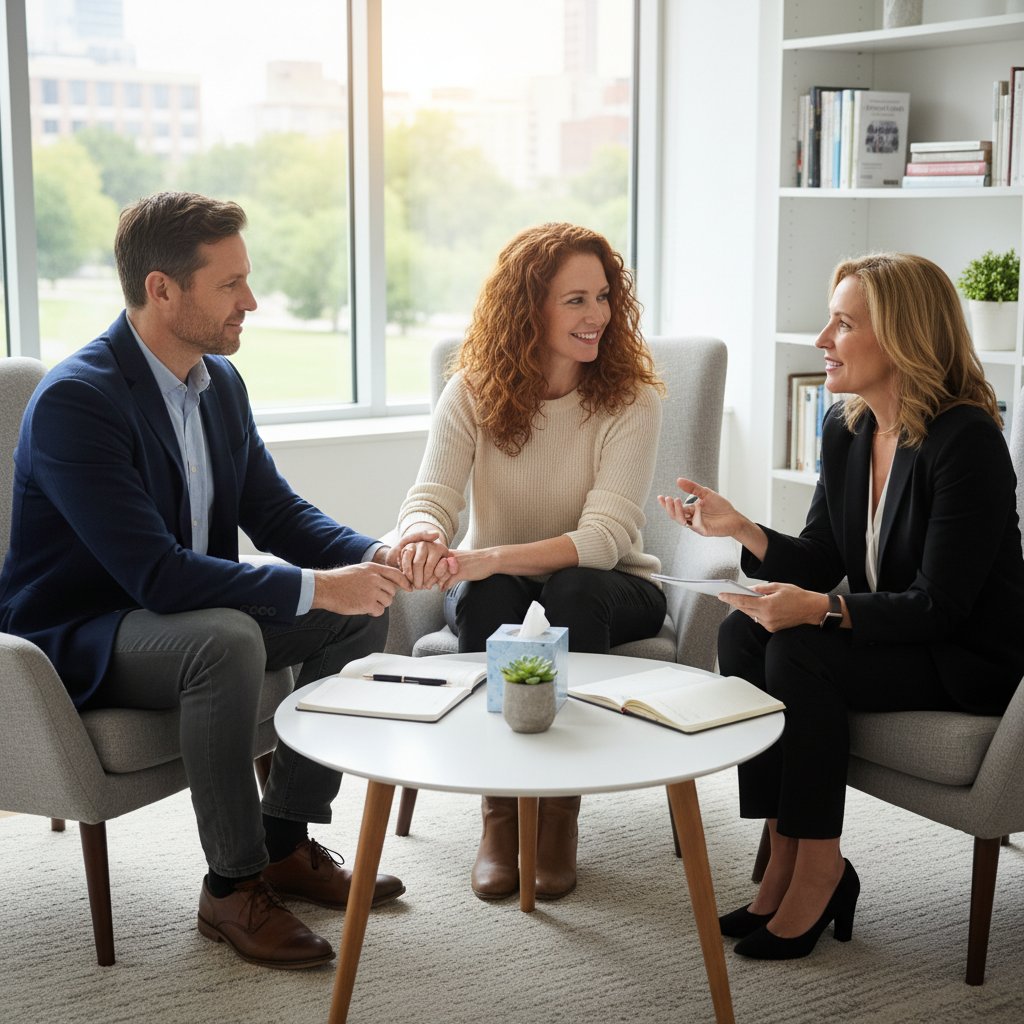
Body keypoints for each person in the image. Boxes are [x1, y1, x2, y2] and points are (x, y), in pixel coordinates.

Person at [0, 192, 439, 970]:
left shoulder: (217, 384)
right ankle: (230, 889)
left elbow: (273, 512)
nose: (253, 301)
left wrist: (373, 557)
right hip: (83, 634)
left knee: (360, 610)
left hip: (178, 612)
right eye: (230, 284)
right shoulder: (77, 401)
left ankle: (282, 842)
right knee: (227, 638)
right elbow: (157, 576)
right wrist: (315, 586)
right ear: (162, 289)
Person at [659, 252, 1024, 961]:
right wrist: (742, 530)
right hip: (908, 635)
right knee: (741, 636)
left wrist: (821, 613)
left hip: (966, 659)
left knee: (800, 647)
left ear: (902, 338)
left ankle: (820, 866)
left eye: (843, 324)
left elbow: (940, 606)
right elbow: (824, 557)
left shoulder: (967, 442)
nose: (822, 339)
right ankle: (783, 847)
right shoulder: (848, 427)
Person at [395, 222, 668, 902]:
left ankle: (556, 817)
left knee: (572, 590)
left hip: (612, 585)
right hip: (504, 584)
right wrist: (424, 535)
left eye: (603, 297)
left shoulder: (632, 397)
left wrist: (484, 556)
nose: (597, 315)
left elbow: (604, 538)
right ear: (529, 307)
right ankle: (498, 815)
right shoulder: (473, 390)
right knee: (492, 603)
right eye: (575, 299)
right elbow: (431, 497)